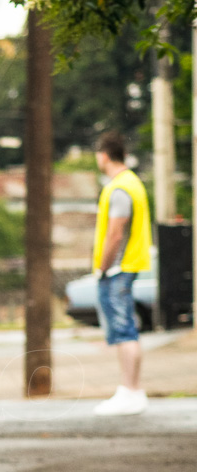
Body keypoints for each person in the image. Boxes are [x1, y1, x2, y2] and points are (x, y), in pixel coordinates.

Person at [91, 131, 152, 416]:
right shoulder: (133, 183)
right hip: (127, 265)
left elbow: (115, 233)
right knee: (126, 328)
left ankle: (130, 391)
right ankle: (130, 390)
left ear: (104, 155)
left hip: (117, 269)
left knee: (123, 330)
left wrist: (102, 267)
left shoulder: (119, 188)